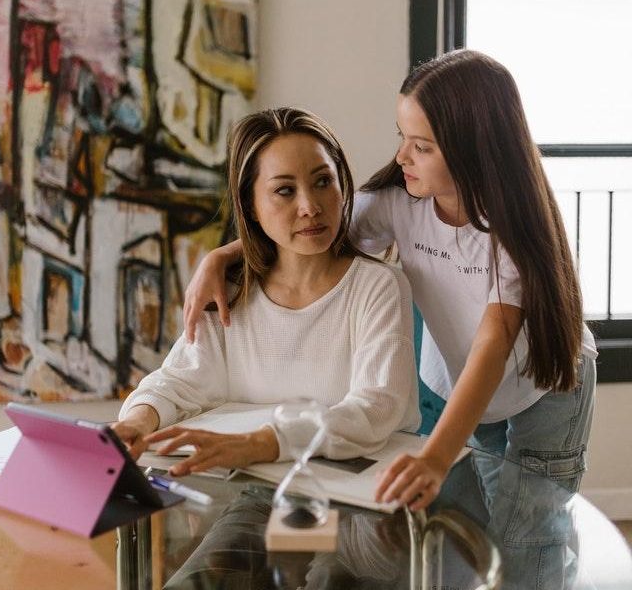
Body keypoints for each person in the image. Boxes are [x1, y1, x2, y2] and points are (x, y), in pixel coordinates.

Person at [182, 51, 597, 587]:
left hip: (545, 386)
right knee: (480, 519)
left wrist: (435, 458)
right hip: (469, 385)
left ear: (476, 152)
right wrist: (221, 256)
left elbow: (493, 346)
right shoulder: (400, 203)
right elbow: (310, 224)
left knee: (529, 530)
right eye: (402, 136)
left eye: (421, 147)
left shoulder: (507, 233)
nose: (402, 155)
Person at [113, 107, 419, 475]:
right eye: (284, 191)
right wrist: (137, 420)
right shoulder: (228, 290)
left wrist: (261, 444)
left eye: (323, 181)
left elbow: (375, 409)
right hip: (250, 488)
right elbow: (179, 382)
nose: (310, 207)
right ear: (251, 207)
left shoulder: (378, 287)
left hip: (364, 495)